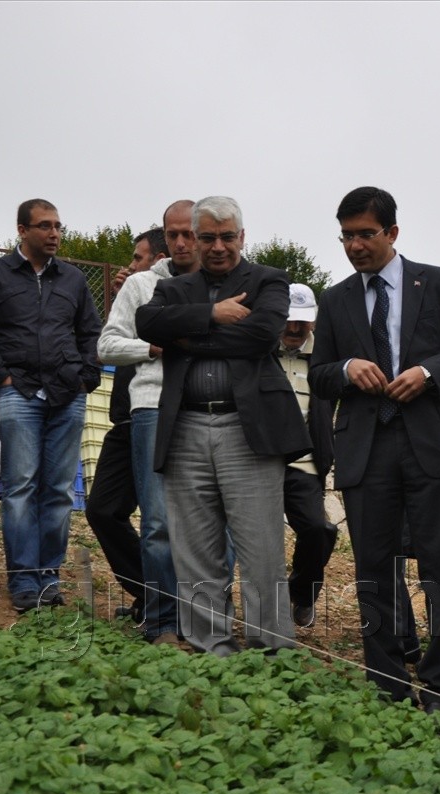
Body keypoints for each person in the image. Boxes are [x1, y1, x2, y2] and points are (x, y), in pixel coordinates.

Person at [309, 187, 440, 715]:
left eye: (366, 234)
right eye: (347, 236)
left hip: (435, 444)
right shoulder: (336, 299)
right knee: (373, 568)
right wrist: (345, 369)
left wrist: (430, 373)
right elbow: (318, 374)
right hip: (367, 447)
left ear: (393, 233)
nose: (355, 245)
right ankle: (386, 685)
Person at [135, 196, 309, 655]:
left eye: (226, 237)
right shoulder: (175, 286)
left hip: (247, 430)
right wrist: (213, 314)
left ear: (242, 237)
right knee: (194, 547)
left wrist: (186, 339)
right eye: (207, 237)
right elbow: (147, 323)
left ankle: (271, 647)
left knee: (261, 546)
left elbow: (262, 333)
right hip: (185, 426)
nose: (217, 247)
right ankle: (210, 643)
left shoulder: (269, 279)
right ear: (194, 238)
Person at [0, 199, 102, 613]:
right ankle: (23, 578)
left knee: (58, 491)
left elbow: (90, 331)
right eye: (45, 226)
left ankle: (49, 577)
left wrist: (85, 377)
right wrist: (2, 378)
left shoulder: (74, 279)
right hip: (19, 393)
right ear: (22, 230)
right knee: (21, 487)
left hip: (67, 395)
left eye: (58, 225)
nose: (55, 233)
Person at [98, 212, 188, 642]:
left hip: (201, 408)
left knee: (206, 522)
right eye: (175, 234)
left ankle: (200, 613)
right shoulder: (138, 288)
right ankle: (161, 613)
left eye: (192, 233)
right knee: (152, 521)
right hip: (143, 410)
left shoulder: (223, 282)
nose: (183, 242)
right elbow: (106, 345)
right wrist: (153, 346)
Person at [87, 226, 169, 623]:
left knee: (163, 521)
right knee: (103, 509)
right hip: (127, 417)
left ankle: (169, 606)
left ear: (158, 259)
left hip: (161, 416)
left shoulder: (171, 294)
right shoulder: (135, 293)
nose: (129, 265)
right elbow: (113, 344)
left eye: (138, 257)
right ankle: (151, 593)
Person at [275, 282, 338, 628]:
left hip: (307, 463)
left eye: (303, 321)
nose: (295, 328)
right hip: (263, 460)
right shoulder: (261, 350)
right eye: (289, 320)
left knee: (318, 529)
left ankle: (301, 594)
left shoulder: (325, 355)